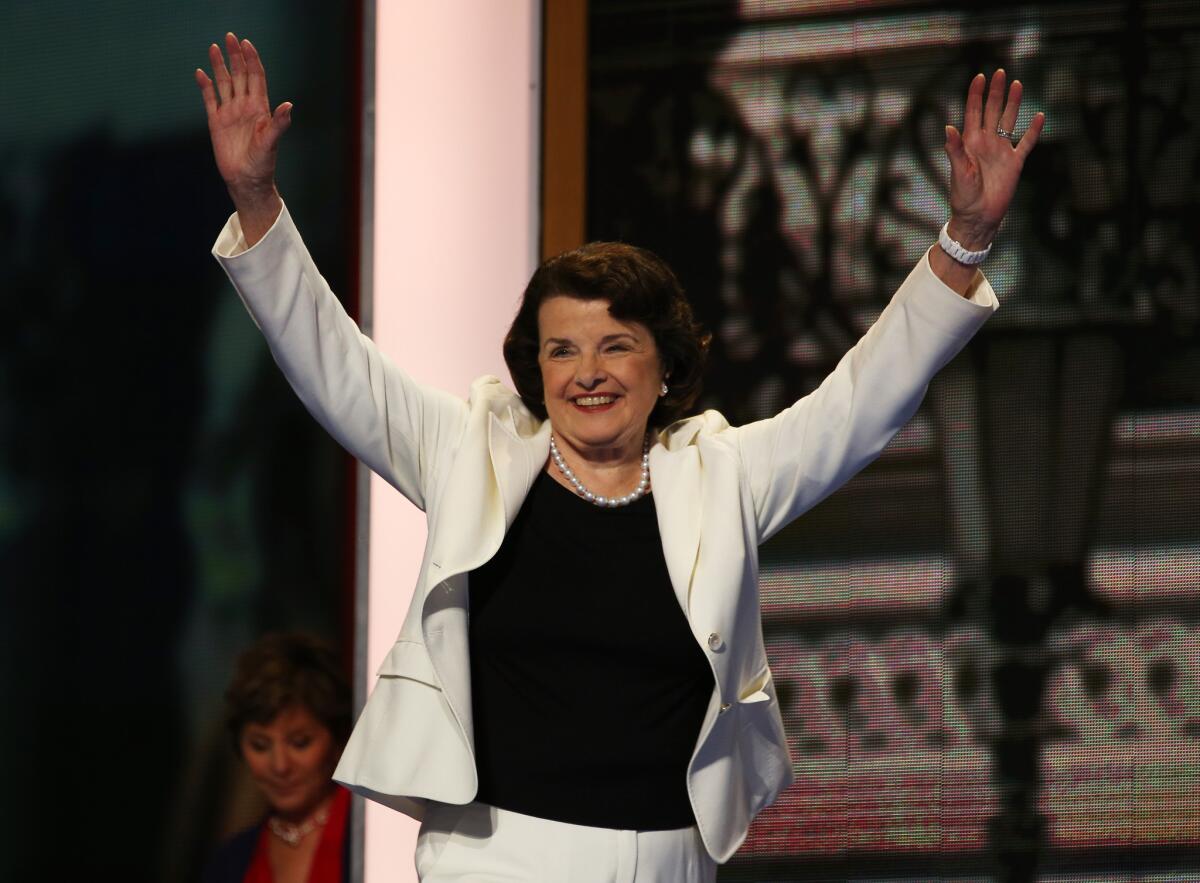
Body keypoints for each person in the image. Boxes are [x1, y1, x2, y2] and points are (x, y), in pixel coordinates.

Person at [196, 31, 1043, 883]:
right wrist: (257, 196)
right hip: (498, 857)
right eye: (562, 350)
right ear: (535, 366)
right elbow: (332, 366)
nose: (588, 373)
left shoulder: (723, 475)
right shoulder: (471, 452)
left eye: (614, 345)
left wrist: (965, 238)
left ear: (665, 362)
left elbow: (860, 405)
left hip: (669, 859)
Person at [203, 632, 353, 883]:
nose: (280, 765)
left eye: (300, 743)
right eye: (260, 746)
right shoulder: (230, 862)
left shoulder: (374, 837)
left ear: (337, 739)